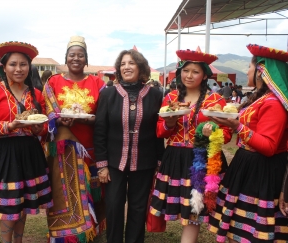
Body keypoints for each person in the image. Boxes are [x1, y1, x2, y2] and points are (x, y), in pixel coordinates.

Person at [149, 49, 232, 243]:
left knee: (195, 212)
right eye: (186, 71)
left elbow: (226, 134)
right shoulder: (170, 99)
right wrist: (169, 124)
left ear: (204, 76)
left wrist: (213, 132)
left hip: (202, 159)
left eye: (195, 71)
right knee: (185, 209)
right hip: (176, 158)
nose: (189, 75)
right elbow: (160, 131)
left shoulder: (216, 101)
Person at [208, 44, 288, 242]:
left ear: (261, 71)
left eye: (250, 68)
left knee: (251, 233)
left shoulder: (273, 104)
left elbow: (269, 147)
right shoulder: (261, 99)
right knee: (239, 230)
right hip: (247, 166)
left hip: (262, 171)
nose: (247, 71)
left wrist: (237, 126)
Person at [0, 41, 53, 243]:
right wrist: (9, 126)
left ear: (29, 67)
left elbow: (43, 124)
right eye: (13, 64)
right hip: (3, 153)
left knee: (23, 202)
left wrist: (39, 129)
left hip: (29, 152)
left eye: (23, 64)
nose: (18, 69)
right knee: (10, 204)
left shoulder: (36, 94)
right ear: (4, 67)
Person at [94, 49, 163, 243]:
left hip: (144, 162)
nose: (126, 67)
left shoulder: (156, 95)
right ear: (118, 68)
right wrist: (102, 164)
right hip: (114, 162)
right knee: (114, 206)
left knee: (138, 207)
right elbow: (100, 131)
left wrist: (159, 160)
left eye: (131, 63)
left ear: (141, 67)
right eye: (123, 64)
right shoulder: (108, 94)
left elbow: (159, 132)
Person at [43, 36, 106, 242]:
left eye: (80, 55)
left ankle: (93, 232)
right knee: (65, 193)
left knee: (95, 194)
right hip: (64, 150)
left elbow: (105, 115)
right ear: (66, 58)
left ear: (86, 59)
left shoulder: (98, 83)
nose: (76, 58)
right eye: (72, 55)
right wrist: (61, 121)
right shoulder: (53, 82)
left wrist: (89, 121)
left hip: (92, 149)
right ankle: (68, 236)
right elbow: (48, 113)